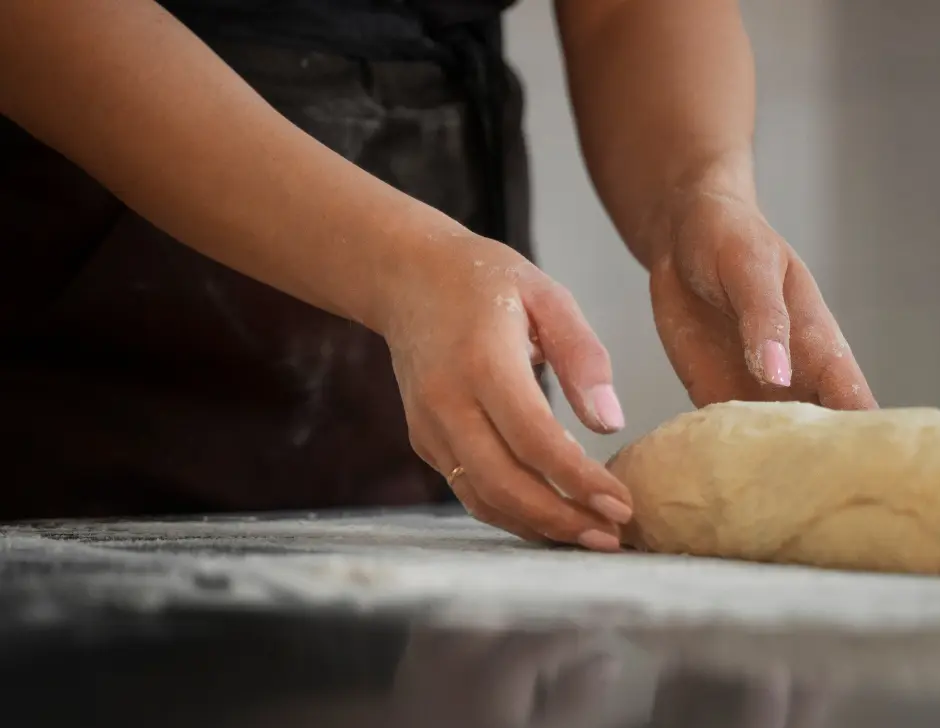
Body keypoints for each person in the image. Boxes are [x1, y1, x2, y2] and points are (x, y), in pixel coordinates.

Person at [0, 0, 876, 551]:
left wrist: (698, 188)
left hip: (445, 286)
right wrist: (398, 262)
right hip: (105, 283)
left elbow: (625, 11)